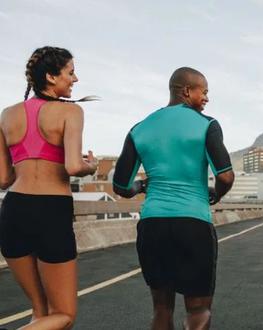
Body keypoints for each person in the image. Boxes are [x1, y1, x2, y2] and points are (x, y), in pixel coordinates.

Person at [113, 67, 234, 330]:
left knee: (161, 309)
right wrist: (215, 195)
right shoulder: (207, 125)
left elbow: (121, 186)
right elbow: (225, 176)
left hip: (152, 225)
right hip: (193, 224)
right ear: (187, 91)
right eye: (204, 91)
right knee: (198, 311)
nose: (207, 98)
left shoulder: (139, 128)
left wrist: (142, 185)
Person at [0, 46, 98, 329]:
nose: (75, 79)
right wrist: (90, 166)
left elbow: (4, 179)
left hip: (14, 210)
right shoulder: (71, 112)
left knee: (42, 312)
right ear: (52, 77)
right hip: (50, 211)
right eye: (71, 72)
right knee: (64, 314)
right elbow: (72, 167)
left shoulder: (6, 115)